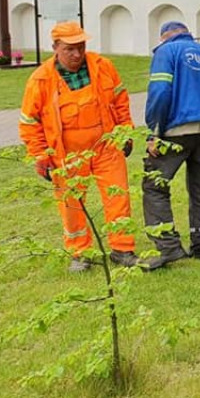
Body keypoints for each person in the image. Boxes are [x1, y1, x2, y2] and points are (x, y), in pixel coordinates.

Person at [18, 21, 139, 271]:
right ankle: (80, 253)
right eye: (69, 49)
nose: (76, 54)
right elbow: (29, 122)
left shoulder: (102, 67)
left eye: (80, 47)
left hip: (106, 146)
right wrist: (41, 156)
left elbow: (120, 101)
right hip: (67, 154)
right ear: (55, 48)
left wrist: (125, 132)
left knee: (118, 197)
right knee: (71, 204)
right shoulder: (40, 80)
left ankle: (123, 249)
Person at [142, 21, 200, 269]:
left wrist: (154, 132)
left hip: (175, 131)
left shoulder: (166, 52)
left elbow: (160, 92)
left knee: (154, 186)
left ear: (164, 38)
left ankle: (169, 247)